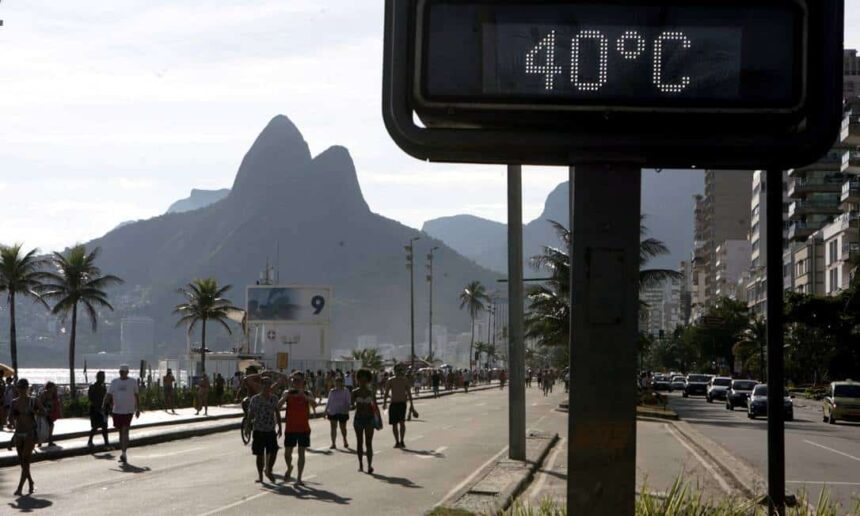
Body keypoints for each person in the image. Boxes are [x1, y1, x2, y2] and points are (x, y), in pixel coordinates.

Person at [280, 372, 316, 485]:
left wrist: (304, 397)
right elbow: (278, 406)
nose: (296, 382)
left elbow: (315, 405)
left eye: (298, 380)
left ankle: (299, 478)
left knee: (301, 453)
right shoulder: (287, 392)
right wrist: (285, 397)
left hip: (303, 428)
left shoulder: (307, 392)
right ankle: (289, 467)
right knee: (287, 454)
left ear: (302, 382)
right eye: (294, 380)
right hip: (290, 428)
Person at [10, 379, 42, 496]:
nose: (21, 389)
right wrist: (11, 421)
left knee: (25, 459)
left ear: (27, 388)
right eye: (19, 387)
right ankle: (31, 483)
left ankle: (19, 488)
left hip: (30, 433)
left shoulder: (33, 401)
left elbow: (44, 413)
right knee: (23, 463)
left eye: (23, 387)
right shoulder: (14, 402)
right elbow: (11, 418)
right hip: (18, 434)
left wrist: (33, 411)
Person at [104, 364, 140, 464]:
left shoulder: (132, 381)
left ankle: (124, 453)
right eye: (120, 372)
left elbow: (136, 395)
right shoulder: (114, 382)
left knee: (125, 430)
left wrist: (138, 409)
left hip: (129, 411)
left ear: (127, 372)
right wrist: (104, 405)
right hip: (117, 411)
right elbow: (108, 394)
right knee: (121, 433)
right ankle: (123, 451)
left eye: (123, 372)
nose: (122, 373)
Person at [248, 377, 281, 483]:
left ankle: (269, 470)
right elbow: (251, 414)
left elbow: (277, 412)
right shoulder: (255, 399)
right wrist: (247, 427)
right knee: (259, 454)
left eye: (268, 384)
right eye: (264, 384)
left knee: (274, 451)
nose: (266, 386)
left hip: (270, 429)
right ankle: (260, 475)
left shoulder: (274, 398)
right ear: (260, 385)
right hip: (258, 430)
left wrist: (280, 426)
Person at [351, 368, 376, 474]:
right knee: (359, 442)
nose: (362, 382)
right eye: (361, 380)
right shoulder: (354, 392)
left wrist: (377, 420)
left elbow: (375, 406)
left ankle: (369, 465)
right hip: (358, 419)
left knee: (369, 443)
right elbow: (351, 405)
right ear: (358, 380)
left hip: (369, 419)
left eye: (365, 380)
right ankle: (361, 463)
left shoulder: (371, 392)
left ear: (368, 380)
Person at [383, 365, 413, 449]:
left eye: (400, 370)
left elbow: (409, 393)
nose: (399, 372)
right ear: (395, 371)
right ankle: (397, 441)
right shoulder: (391, 380)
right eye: (398, 370)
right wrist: (384, 403)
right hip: (394, 404)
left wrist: (412, 406)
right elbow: (386, 393)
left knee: (402, 423)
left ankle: (402, 441)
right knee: (394, 424)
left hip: (402, 404)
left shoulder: (405, 380)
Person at [87, 371, 110, 449]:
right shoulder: (93, 387)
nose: (103, 378)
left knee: (105, 427)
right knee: (95, 426)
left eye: (104, 377)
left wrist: (107, 407)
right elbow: (91, 398)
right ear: (97, 377)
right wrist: (97, 408)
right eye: (102, 377)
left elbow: (106, 398)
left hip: (103, 409)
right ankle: (90, 441)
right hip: (95, 409)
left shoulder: (104, 387)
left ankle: (106, 443)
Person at [325, 376, 350, 449]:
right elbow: (328, 401)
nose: (338, 383)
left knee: (343, 428)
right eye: (336, 381)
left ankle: (345, 440)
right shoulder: (332, 391)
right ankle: (333, 443)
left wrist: (347, 409)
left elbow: (348, 401)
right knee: (333, 427)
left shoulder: (346, 391)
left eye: (339, 381)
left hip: (342, 411)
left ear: (342, 382)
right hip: (333, 411)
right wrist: (326, 411)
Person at [37, 382, 61, 447]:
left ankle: (47, 442)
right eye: (53, 387)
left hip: (50, 413)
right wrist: (43, 410)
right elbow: (39, 403)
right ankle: (43, 442)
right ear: (49, 388)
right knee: (44, 427)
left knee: (49, 426)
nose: (54, 389)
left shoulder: (53, 394)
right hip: (44, 413)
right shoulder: (44, 394)